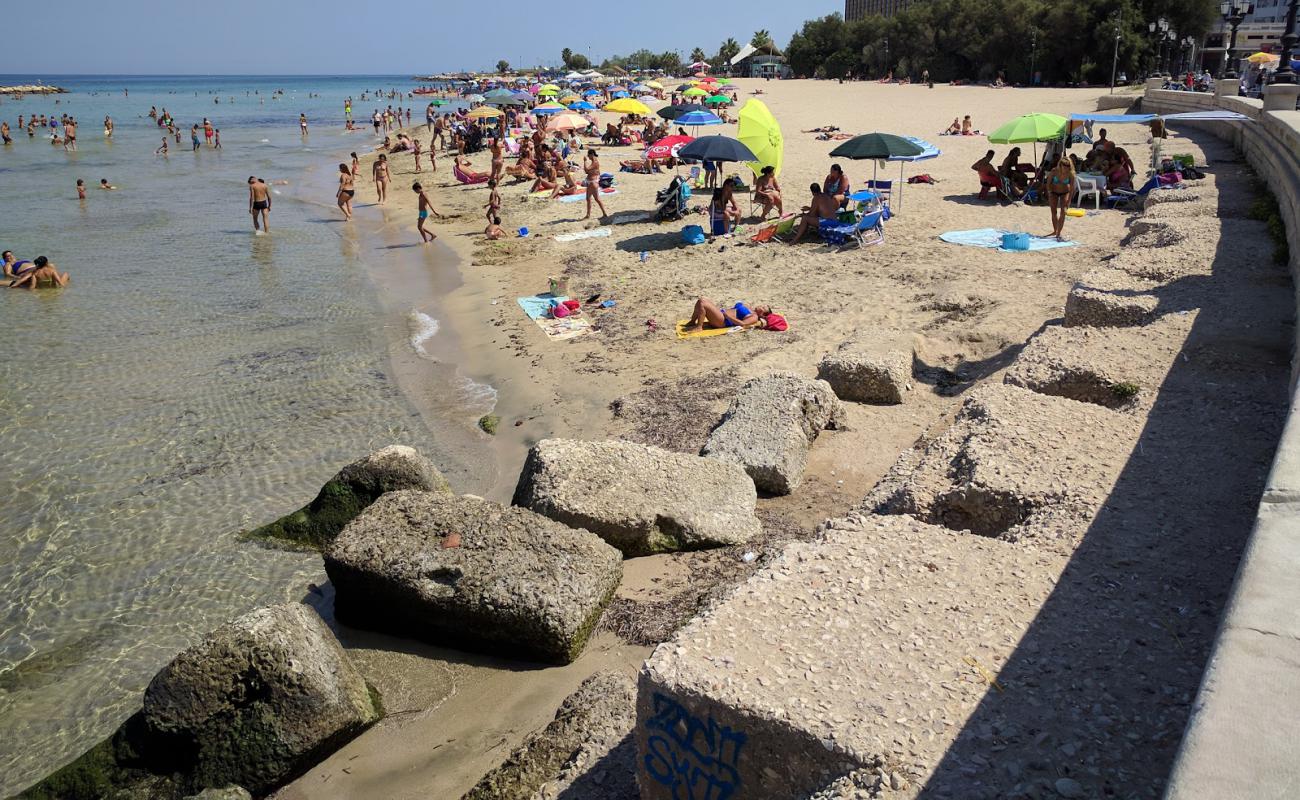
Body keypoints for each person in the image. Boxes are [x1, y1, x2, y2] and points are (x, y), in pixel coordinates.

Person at [682, 297, 774, 332]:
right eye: (763, 305)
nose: (761, 306)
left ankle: (699, 326)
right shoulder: (750, 308)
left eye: (763, 308)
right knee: (702, 300)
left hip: (724, 321)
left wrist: (728, 316)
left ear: (762, 314)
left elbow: (743, 324)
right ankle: (692, 321)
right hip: (722, 314)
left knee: (702, 303)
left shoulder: (754, 317)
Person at [1045, 155, 1075, 240]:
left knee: (1063, 212)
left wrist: (1069, 200)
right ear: (1060, 165)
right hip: (1053, 192)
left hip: (1065, 193)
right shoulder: (1054, 171)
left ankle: (1058, 233)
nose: (1065, 168)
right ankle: (1055, 230)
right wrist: (1049, 192)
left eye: (1067, 166)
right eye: (1064, 166)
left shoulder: (1071, 174)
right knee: (1053, 211)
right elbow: (1048, 183)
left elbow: (1072, 188)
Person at [582, 149, 607, 221]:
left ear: (592, 154)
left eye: (588, 155)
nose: (588, 157)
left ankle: (604, 213)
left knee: (597, 199)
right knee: (588, 198)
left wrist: (585, 161)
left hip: (593, 182)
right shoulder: (594, 161)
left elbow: (586, 170)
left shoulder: (595, 162)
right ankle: (588, 214)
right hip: (591, 181)